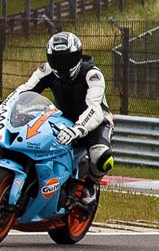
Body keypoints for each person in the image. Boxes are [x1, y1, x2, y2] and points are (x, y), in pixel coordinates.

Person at [8, 31, 114, 188]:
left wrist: (77, 129)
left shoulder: (92, 75)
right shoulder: (47, 70)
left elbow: (95, 109)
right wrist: (4, 107)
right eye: (56, 60)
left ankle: (90, 187)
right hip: (64, 120)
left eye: (66, 59)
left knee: (101, 157)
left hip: (95, 123)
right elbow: (25, 91)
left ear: (77, 56)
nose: (62, 66)